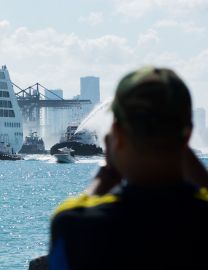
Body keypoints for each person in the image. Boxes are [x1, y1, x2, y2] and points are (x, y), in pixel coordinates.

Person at [29, 66, 208, 270]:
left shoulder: (73, 226)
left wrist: (104, 177)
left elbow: (75, 217)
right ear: (187, 135)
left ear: (116, 135)